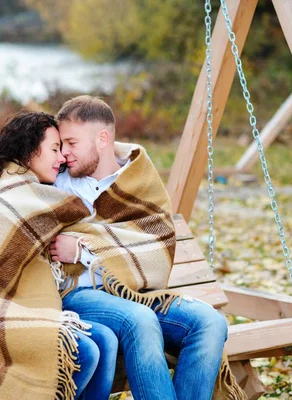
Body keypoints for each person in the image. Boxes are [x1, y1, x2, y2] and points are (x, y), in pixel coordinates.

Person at [49, 95, 246, 400]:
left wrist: (86, 247)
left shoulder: (137, 178)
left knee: (210, 322)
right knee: (139, 319)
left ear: (102, 139)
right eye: (61, 145)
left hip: (136, 291)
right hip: (78, 294)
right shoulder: (56, 182)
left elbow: (157, 239)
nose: (64, 153)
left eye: (71, 143)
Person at [0, 111, 117, 400]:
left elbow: (90, 224)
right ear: (30, 149)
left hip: (43, 313)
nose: (62, 158)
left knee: (105, 341)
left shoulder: (46, 198)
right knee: (87, 351)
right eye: (55, 149)